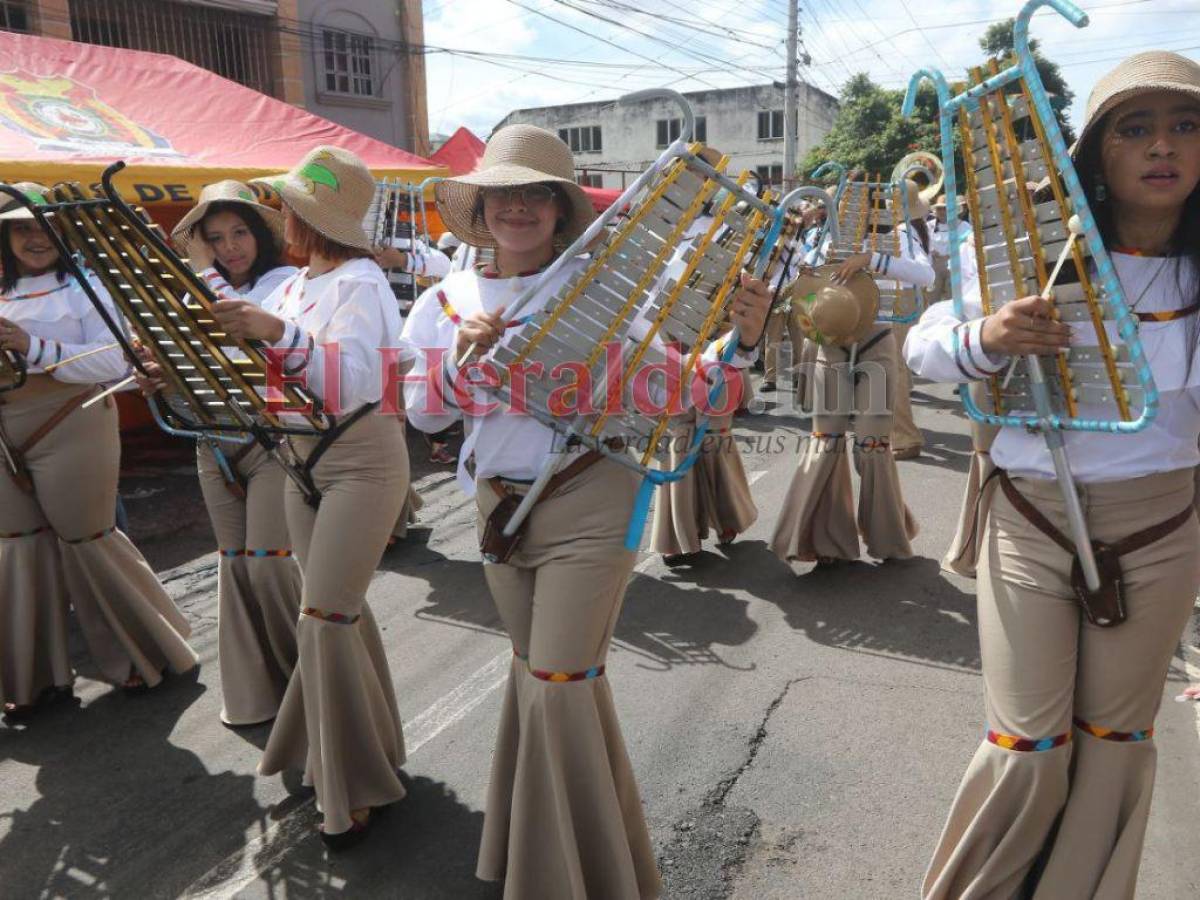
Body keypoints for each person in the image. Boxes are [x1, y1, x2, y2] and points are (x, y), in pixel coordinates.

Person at [403, 125, 772, 899]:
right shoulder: (445, 300)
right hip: (496, 508)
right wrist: (456, 362)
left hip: (590, 498)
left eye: (537, 193)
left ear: (561, 209)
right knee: (539, 676)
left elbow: (689, 392)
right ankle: (583, 862)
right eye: (504, 192)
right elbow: (427, 416)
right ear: (482, 207)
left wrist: (740, 344)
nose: (519, 208)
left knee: (560, 679)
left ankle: (558, 878)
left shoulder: (604, 297)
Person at [906, 52, 1200, 898]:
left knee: (1114, 740)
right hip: (1032, 517)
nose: (1161, 147)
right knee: (1028, 742)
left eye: (1185, 126)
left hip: (1162, 524)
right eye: (1134, 128)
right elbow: (927, 347)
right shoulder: (1029, 248)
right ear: (1099, 152)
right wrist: (987, 338)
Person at [206, 147, 408, 848]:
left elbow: (352, 382)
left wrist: (275, 335)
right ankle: (363, 751)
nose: (278, 216)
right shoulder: (293, 286)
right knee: (329, 613)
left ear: (307, 214)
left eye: (287, 206)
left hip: (360, 461)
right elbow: (269, 382)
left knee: (323, 616)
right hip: (297, 462)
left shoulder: (361, 283)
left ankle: (354, 783)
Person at [0, 183, 197, 718]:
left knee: (87, 539)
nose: (33, 237)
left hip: (75, 421)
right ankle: (36, 680)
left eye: (42, 225)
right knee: (17, 544)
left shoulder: (88, 285)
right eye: (21, 226)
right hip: (4, 431)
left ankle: (144, 654)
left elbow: (114, 366)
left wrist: (31, 347)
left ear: (61, 229)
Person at [165, 181, 302, 727]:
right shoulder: (186, 292)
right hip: (212, 441)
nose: (229, 247)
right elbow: (187, 361)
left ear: (260, 236)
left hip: (273, 440)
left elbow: (247, 329)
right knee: (235, 567)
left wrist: (201, 271)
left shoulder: (286, 283)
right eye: (215, 238)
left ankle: (308, 681)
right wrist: (160, 374)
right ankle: (255, 693)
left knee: (269, 564)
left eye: (239, 232)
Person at [771, 179, 934, 565]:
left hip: (877, 343)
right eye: (843, 203)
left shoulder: (897, 236)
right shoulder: (824, 238)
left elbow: (925, 276)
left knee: (872, 444)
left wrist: (871, 260)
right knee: (825, 438)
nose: (849, 210)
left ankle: (887, 539)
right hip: (830, 342)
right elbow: (798, 278)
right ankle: (822, 540)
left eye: (855, 203)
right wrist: (807, 273)